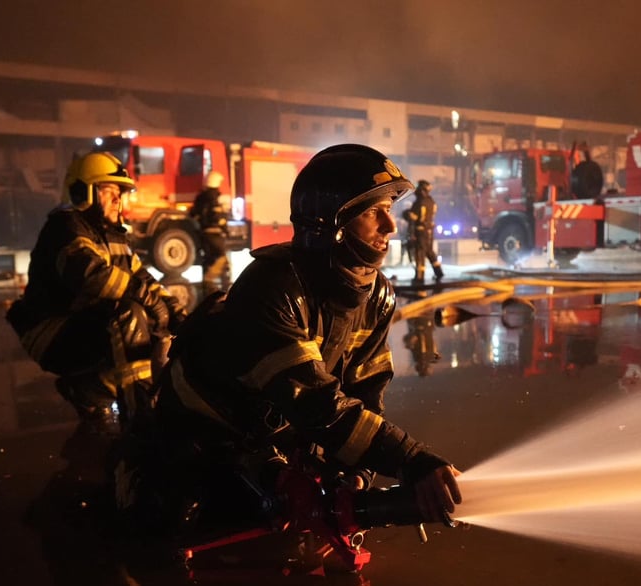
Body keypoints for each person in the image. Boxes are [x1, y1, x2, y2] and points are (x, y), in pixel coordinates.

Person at [145, 144, 462, 530]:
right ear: (330, 222)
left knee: (306, 500)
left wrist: (356, 473)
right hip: (207, 428)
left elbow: (365, 394)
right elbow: (314, 402)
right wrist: (411, 460)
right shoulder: (272, 287)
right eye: (372, 211)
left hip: (279, 423)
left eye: (390, 209)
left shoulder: (378, 294)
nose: (391, 226)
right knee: (185, 522)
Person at [6, 150, 186, 427]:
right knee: (128, 314)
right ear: (82, 192)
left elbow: (142, 277)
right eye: (110, 190)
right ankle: (142, 423)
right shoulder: (66, 226)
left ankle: (87, 390)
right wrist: (148, 299)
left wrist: (175, 312)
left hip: (83, 325)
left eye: (121, 192)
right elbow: (90, 275)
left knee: (150, 325)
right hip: (50, 330)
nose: (118, 199)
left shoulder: (114, 235)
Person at [190, 170, 231, 296]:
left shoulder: (200, 198)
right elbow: (219, 218)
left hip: (204, 234)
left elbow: (193, 214)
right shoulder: (214, 198)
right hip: (215, 234)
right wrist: (225, 228)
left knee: (208, 259)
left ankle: (206, 288)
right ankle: (217, 284)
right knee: (222, 258)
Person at [403, 179, 443, 282]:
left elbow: (413, 219)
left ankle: (419, 277)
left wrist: (406, 214)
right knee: (429, 251)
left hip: (420, 231)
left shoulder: (418, 202)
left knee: (420, 253)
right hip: (430, 231)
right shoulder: (432, 201)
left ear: (421, 190)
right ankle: (439, 273)